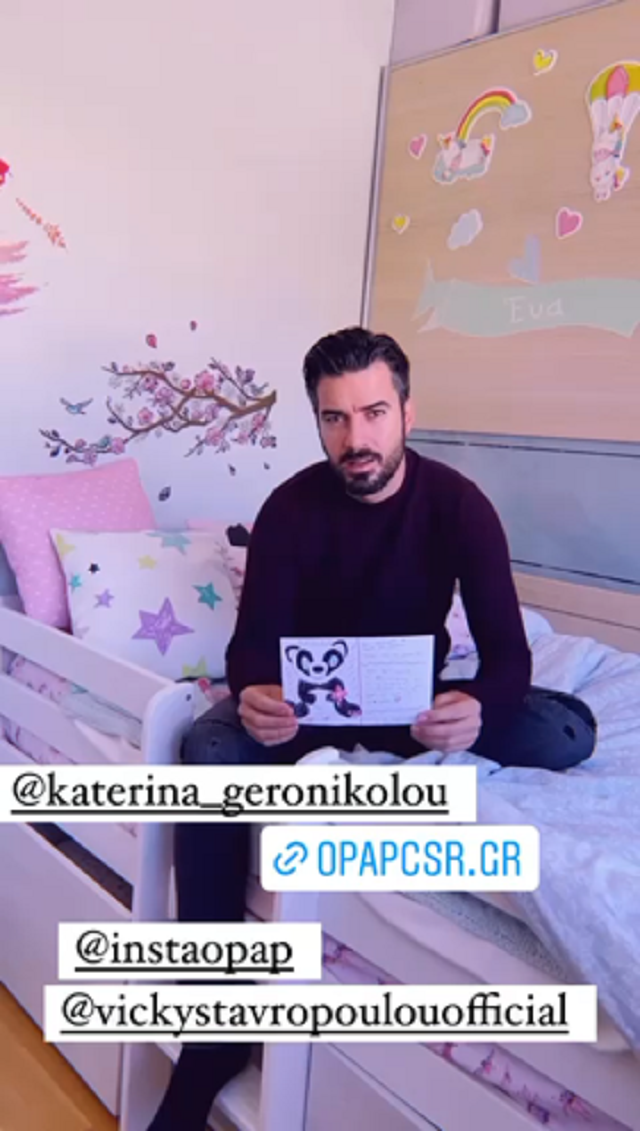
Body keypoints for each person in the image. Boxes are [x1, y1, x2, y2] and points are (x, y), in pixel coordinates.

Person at [147, 327, 596, 1130]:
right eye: (336, 418)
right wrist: (255, 691)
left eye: (374, 413)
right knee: (206, 747)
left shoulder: (460, 505)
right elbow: (251, 646)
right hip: (310, 711)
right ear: (319, 423)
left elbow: (508, 654)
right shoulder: (289, 507)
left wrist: (477, 706)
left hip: (414, 710)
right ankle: (214, 1034)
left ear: (407, 413)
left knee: (567, 734)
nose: (356, 437)